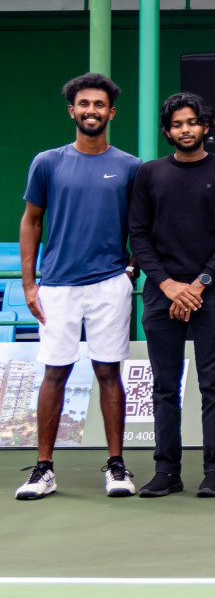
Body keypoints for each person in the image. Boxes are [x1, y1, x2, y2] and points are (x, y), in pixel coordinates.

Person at [14, 73, 141, 500]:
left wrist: (130, 269)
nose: (91, 111)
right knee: (55, 374)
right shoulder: (47, 162)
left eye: (99, 105)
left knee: (109, 372)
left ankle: (117, 466)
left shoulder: (130, 166)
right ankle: (44, 469)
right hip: (57, 287)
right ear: (72, 110)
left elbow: (143, 227)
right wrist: (30, 285)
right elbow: (31, 221)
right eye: (83, 104)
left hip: (109, 284)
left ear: (111, 112)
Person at [128, 92, 215, 499]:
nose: (186, 129)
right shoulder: (149, 174)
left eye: (192, 122)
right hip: (161, 292)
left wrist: (198, 285)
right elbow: (138, 235)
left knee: (214, 383)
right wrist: (167, 285)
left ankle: (214, 471)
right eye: (177, 124)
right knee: (165, 385)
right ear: (167, 131)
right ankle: (167, 471)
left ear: (206, 127)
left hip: (210, 293)